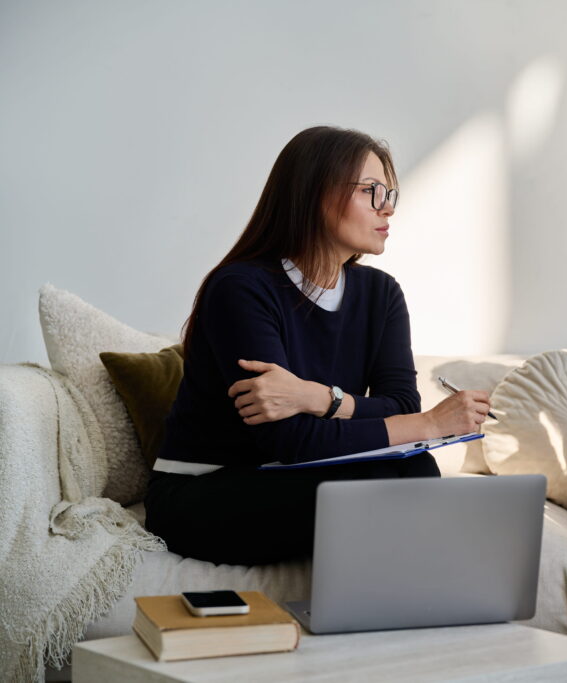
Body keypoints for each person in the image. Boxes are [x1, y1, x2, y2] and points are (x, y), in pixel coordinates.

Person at [145, 127, 491, 566]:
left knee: (414, 470)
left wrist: (319, 398)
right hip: (209, 487)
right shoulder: (241, 289)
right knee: (385, 484)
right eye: (371, 191)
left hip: (297, 472)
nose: (387, 208)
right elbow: (285, 439)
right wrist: (426, 426)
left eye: (391, 194)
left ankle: (405, 619)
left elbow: (400, 401)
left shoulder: (381, 294)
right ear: (314, 194)